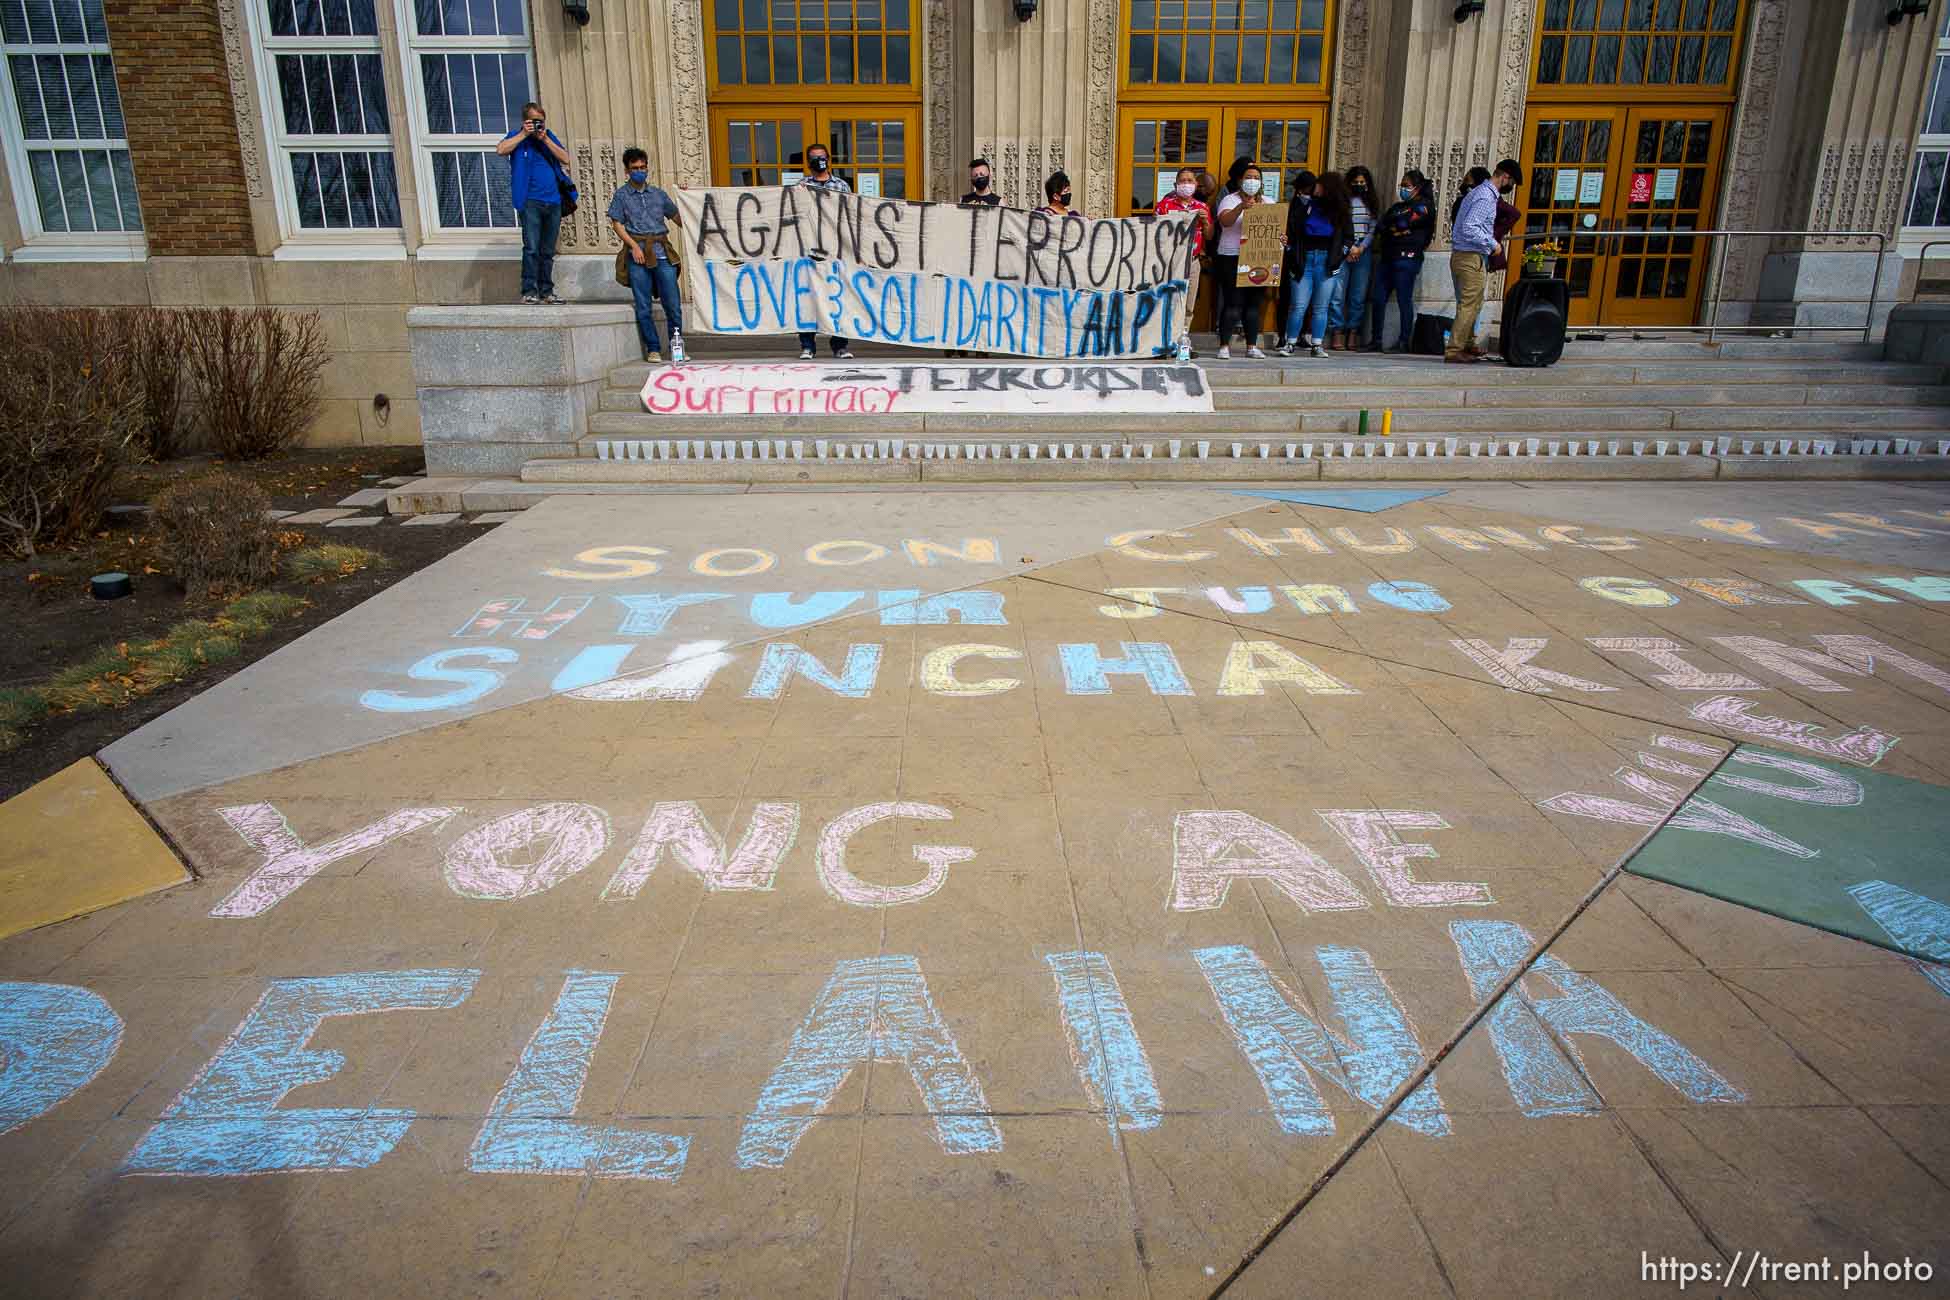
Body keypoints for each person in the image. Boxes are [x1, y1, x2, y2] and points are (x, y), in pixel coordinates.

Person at [606, 148, 683, 363]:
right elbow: (617, 224)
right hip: (637, 253)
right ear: (627, 171)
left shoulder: (658, 194)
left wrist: (692, 208)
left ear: (647, 167)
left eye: (642, 167)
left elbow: (677, 216)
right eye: (635, 169)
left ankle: (677, 346)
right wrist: (633, 246)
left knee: (673, 304)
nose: (639, 171)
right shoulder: (621, 195)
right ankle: (653, 348)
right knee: (643, 305)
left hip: (661, 251)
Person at [498, 102, 573, 305]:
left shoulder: (548, 137)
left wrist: (545, 138)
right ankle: (529, 290)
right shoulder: (517, 137)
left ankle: (546, 291)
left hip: (553, 201)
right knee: (531, 247)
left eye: (541, 121)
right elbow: (501, 149)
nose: (538, 125)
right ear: (525, 121)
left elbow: (565, 158)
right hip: (530, 201)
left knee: (547, 250)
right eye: (534, 121)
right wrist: (524, 134)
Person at [1448, 158, 1521, 364]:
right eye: (1512, 182)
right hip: (1470, 257)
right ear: (1505, 176)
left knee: (1474, 303)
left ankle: (1468, 343)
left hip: (1466, 256)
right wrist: (1493, 244)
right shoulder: (1485, 197)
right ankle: (1454, 349)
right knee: (1469, 305)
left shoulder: (1479, 193)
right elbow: (1470, 227)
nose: (1511, 186)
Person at [1279, 170, 1353, 359]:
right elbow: (1294, 233)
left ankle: (1317, 344)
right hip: (1305, 261)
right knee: (1298, 305)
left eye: (1319, 184)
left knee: (1321, 306)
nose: (1315, 188)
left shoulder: (1341, 211)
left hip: (1326, 262)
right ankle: (1290, 343)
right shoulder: (1307, 206)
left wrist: (1339, 257)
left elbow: (1348, 238)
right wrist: (1290, 249)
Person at [1366, 169, 1436, 353]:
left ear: (1417, 187)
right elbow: (1382, 225)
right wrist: (1395, 226)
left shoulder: (1424, 206)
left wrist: (1396, 226)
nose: (1403, 189)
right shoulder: (1397, 207)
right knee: (1378, 298)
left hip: (1407, 259)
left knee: (1404, 300)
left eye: (1407, 185)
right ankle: (1376, 340)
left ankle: (1404, 341)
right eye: (1402, 185)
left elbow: (1405, 223)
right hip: (1388, 257)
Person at [796, 144, 854, 360]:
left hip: (835, 251)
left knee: (836, 298)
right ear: (808, 161)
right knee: (807, 298)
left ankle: (840, 345)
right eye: (814, 158)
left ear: (828, 159)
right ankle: (808, 346)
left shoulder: (841, 185)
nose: (819, 161)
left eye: (822, 157)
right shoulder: (801, 186)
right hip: (809, 252)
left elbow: (850, 214)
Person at [1212, 158, 1267, 359]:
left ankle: (1251, 346)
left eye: (1256, 178)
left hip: (1258, 258)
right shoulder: (1230, 200)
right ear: (1240, 180)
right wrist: (1241, 208)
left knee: (1253, 305)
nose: (1252, 181)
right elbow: (1225, 222)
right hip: (1232, 256)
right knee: (1233, 302)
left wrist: (1281, 237)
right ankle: (1224, 346)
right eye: (1248, 177)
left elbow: (1276, 228)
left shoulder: (1268, 202)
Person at [1326, 165, 1378, 350]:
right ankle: (1337, 331)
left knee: (1358, 295)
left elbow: (1373, 228)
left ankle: (1353, 331)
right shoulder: (1343, 202)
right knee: (1337, 294)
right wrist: (1348, 248)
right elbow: (1338, 227)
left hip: (1362, 252)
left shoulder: (1371, 202)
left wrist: (1361, 247)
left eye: (1362, 182)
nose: (1359, 185)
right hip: (1343, 251)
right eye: (1355, 182)